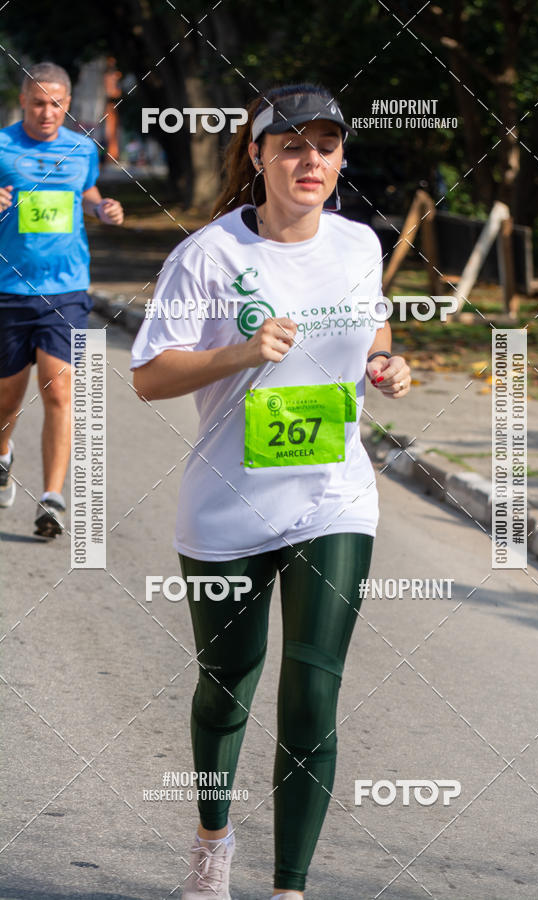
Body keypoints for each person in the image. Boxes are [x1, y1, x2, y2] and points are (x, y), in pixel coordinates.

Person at [130, 83, 411, 899]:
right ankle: (211, 845)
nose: (309, 160)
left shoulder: (358, 243)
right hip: (228, 504)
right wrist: (242, 353)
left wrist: (383, 362)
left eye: (325, 145)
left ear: (340, 159)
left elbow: (374, 322)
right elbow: (149, 376)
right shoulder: (209, 256)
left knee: (314, 684)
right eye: (291, 145)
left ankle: (290, 888)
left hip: (334, 494)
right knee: (226, 688)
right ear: (257, 157)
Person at [0, 61, 124, 536]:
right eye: (37, 103)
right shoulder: (3, 145)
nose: (46, 112)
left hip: (66, 288)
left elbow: (87, 191)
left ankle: (52, 497)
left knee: (59, 387)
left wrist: (101, 208)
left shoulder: (81, 149)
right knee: (7, 399)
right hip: (9, 288)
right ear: (22, 102)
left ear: (67, 104)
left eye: (55, 104)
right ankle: (3, 453)